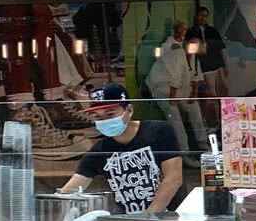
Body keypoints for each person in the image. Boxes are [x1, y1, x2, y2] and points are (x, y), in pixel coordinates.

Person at [61, 83, 182, 213]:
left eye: (110, 114)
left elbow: (173, 178)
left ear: (129, 110)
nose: (105, 120)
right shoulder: (99, 151)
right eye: (98, 116)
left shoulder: (159, 131)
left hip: (173, 216)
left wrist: (149, 217)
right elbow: (70, 190)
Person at [147, 19, 206, 152]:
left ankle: (203, 142)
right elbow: (175, 76)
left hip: (180, 88)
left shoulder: (193, 55)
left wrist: (193, 94)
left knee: (194, 107)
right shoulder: (175, 51)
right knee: (175, 116)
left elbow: (196, 75)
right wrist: (173, 98)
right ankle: (184, 151)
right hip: (161, 86)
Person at [191, 6, 228, 97]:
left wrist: (226, 65)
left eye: (205, 16)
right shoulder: (191, 32)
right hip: (205, 67)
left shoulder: (212, 30)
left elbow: (221, 48)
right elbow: (191, 54)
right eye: (201, 15)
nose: (203, 18)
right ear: (196, 16)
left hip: (218, 64)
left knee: (224, 90)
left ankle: (225, 106)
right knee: (212, 93)